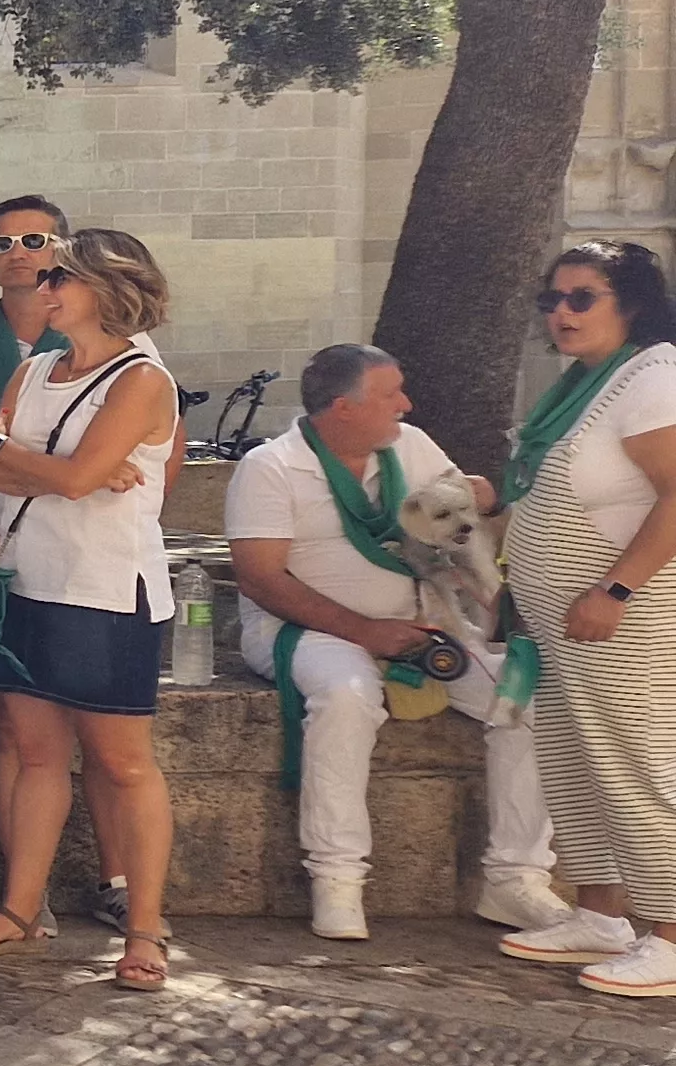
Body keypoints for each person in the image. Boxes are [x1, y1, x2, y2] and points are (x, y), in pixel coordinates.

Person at [234, 343, 571, 944]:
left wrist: (484, 515)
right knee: (346, 695)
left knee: (527, 703)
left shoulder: (410, 447)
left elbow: (462, 529)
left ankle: (515, 878)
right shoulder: (271, 466)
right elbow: (261, 578)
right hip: (305, 631)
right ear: (343, 406)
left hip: (420, 627)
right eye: (391, 394)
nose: (406, 404)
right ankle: (338, 879)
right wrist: (367, 633)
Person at [0, 228, 181, 992]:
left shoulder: (142, 380)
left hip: (107, 592)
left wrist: (11, 453)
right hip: (28, 581)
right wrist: (47, 468)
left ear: (104, 289)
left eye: (60, 277)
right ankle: (18, 911)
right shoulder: (34, 370)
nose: (43, 288)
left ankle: (145, 929)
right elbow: (0, 474)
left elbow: (63, 475)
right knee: (38, 755)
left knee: (123, 763)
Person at [0, 193, 134, 934]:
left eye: (34, 241)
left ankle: (119, 882)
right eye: (1, 243)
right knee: (11, 725)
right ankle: (24, 894)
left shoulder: (122, 350)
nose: (17, 254)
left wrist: (98, 487)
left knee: (103, 730)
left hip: (94, 558)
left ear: (64, 252)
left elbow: (142, 455)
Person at [494, 242, 676, 996]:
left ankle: (672, 936)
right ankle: (601, 914)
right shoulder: (582, 384)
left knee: (638, 767)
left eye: (581, 298)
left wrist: (615, 590)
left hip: (625, 620)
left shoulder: (653, 379)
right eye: (552, 299)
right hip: (563, 629)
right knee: (575, 766)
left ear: (630, 303)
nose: (561, 313)